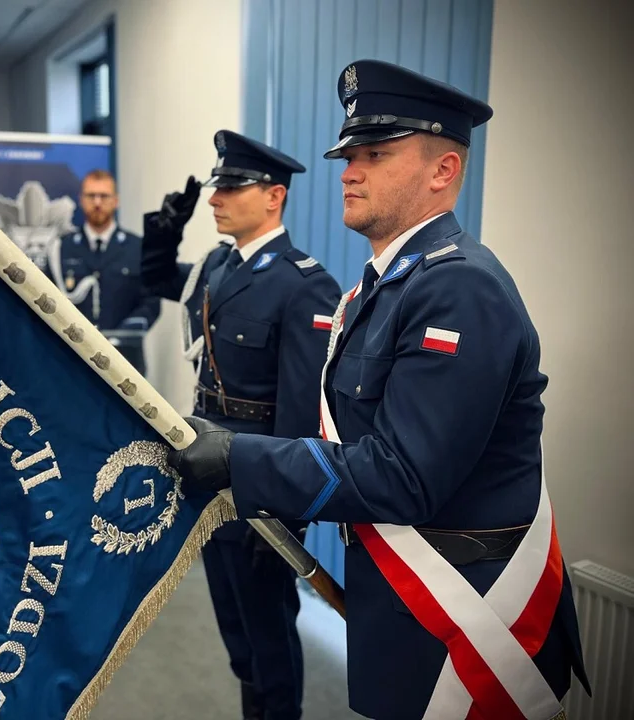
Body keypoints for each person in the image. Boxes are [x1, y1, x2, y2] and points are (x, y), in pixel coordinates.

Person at [165, 61, 591, 720]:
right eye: (348, 156)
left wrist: (236, 456)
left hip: (462, 613)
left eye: (374, 155)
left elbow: (403, 475)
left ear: (441, 171)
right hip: (405, 601)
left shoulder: (459, 288)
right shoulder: (384, 286)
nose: (348, 171)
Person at [142, 130, 342, 720]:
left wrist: (284, 510)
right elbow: (154, 281)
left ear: (273, 196)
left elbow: (304, 413)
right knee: (236, 634)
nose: (215, 198)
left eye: (232, 186)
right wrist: (163, 229)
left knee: (270, 636)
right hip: (212, 485)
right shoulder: (218, 266)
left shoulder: (304, 284)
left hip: (260, 493)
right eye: (216, 186)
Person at [49, 169, 160, 375]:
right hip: (73, 361)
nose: (97, 202)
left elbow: (151, 304)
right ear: (82, 200)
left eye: (104, 196)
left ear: (115, 201)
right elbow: (49, 299)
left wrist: (120, 336)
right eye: (91, 196)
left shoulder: (138, 248)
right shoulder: (61, 249)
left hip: (125, 362)